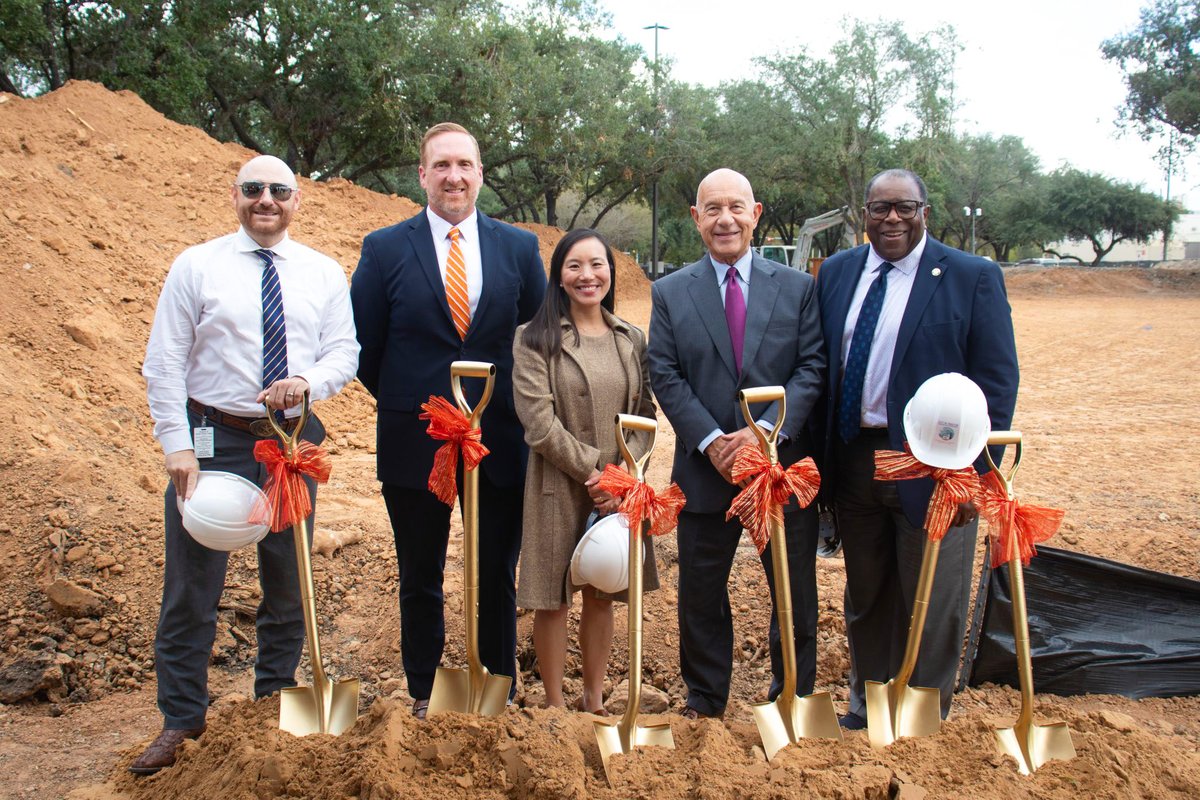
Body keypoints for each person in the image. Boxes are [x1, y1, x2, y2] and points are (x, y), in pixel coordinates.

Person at [134, 155, 360, 773]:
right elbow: (164, 361)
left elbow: (346, 350)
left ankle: (274, 704)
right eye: (254, 189)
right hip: (213, 440)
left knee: (289, 586)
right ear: (235, 195)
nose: (267, 200)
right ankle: (182, 720)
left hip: (290, 443)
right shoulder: (197, 265)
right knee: (191, 587)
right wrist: (176, 445)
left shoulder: (321, 272)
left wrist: (307, 380)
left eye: (279, 191)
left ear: (297, 200)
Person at [351, 123, 546, 719]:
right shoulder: (384, 249)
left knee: (495, 573)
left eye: (464, 165)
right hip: (417, 442)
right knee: (421, 571)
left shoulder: (518, 248)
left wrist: (500, 410)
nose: (454, 176)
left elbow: (538, 340)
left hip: (499, 441)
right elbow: (365, 347)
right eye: (441, 166)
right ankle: (423, 689)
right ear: (422, 175)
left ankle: (496, 688)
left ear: (481, 173)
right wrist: (424, 408)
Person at [815, 168, 1019, 730]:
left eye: (904, 207)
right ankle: (871, 707)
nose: (892, 219)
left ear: (925, 210)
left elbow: (996, 384)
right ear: (865, 214)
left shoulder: (970, 277)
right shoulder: (836, 273)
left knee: (933, 601)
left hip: (936, 467)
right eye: (880, 209)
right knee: (868, 594)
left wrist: (971, 473)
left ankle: (923, 718)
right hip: (857, 460)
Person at [647, 168, 825, 719]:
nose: (726, 219)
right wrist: (712, 442)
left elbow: (812, 367)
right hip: (707, 470)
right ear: (697, 218)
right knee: (701, 589)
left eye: (736, 207)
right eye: (712, 209)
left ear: (756, 213)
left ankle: (792, 691)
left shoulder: (797, 289)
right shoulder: (671, 292)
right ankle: (705, 697)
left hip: (781, 466)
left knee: (792, 586)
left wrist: (763, 432)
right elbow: (665, 373)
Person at [512, 229, 658, 714]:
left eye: (597, 265)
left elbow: (645, 412)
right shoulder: (534, 339)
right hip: (558, 483)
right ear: (559, 276)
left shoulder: (631, 338)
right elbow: (538, 423)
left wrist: (625, 476)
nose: (587, 275)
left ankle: (593, 700)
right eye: (574, 266)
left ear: (610, 273)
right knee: (552, 599)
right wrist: (598, 472)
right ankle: (555, 705)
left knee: (603, 590)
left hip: (619, 489)